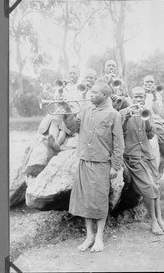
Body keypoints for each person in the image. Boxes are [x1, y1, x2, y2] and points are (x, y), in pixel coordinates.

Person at [64, 82, 125, 252]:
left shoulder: (114, 115)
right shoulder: (85, 109)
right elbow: (72, 128)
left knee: (99, 200)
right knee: (85, 200)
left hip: (101, 163)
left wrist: (115, 166)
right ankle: (89, 236)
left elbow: (119, 143)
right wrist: (66, 109)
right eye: (90, 92)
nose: (90, 94)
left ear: (105, 95)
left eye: (94, 92)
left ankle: (99, 238)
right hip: (84, 160)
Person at [120, 86, 164, 235]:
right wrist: (126, 119)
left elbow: (150, 135)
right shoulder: (123, 113)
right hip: (133, 156)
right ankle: (153, 221)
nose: (138, 99)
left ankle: (160, 220)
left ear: (144, 97)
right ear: (131, 97)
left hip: (147, 155)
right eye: (136, 96)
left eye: (141, 97)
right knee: (149, 186)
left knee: (155, 186)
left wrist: (147, 119)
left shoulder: (148, 112)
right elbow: (119, 134)